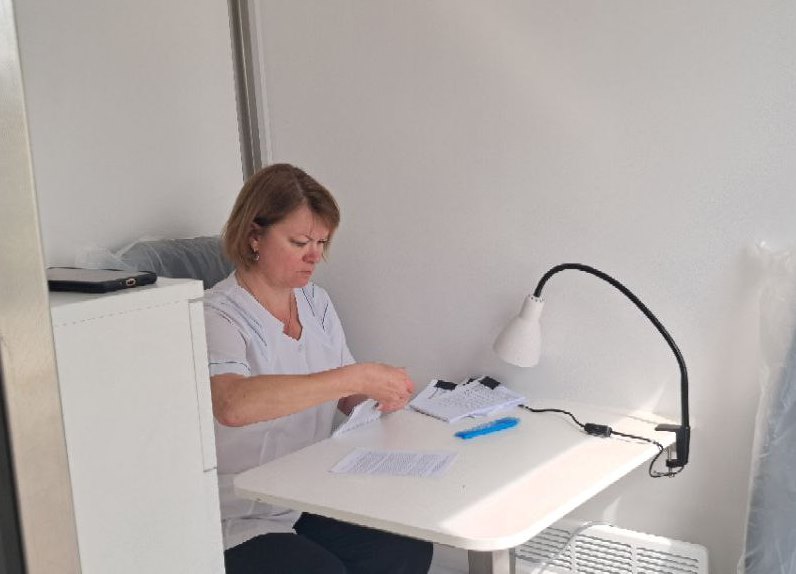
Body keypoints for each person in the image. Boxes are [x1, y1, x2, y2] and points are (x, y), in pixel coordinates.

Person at [204, 163, 433, 574]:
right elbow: (232, 404)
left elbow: (345, 395)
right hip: (238, 513)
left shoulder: (315, 302)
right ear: (254, 235)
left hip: (304, 494)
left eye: (321, 242)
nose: (314, 256)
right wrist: (356, 377)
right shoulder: (217, 314)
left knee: (407, 548)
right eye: (299, 242)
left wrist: (380, 397)